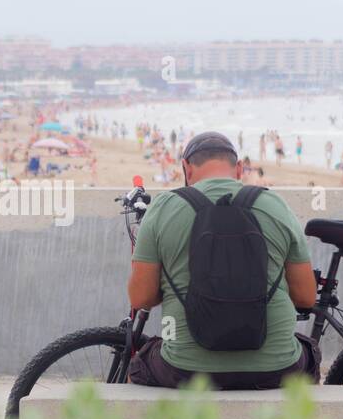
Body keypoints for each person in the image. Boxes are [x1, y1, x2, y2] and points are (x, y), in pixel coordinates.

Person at [127, 131, 318, 389]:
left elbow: (141, 298)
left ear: (186, 167)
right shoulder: (274, 204)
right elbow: (306, 297)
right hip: (278, 368)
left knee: (139, 366)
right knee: (311, 354)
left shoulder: (163, 208)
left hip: (185, 369)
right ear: (239, 168)